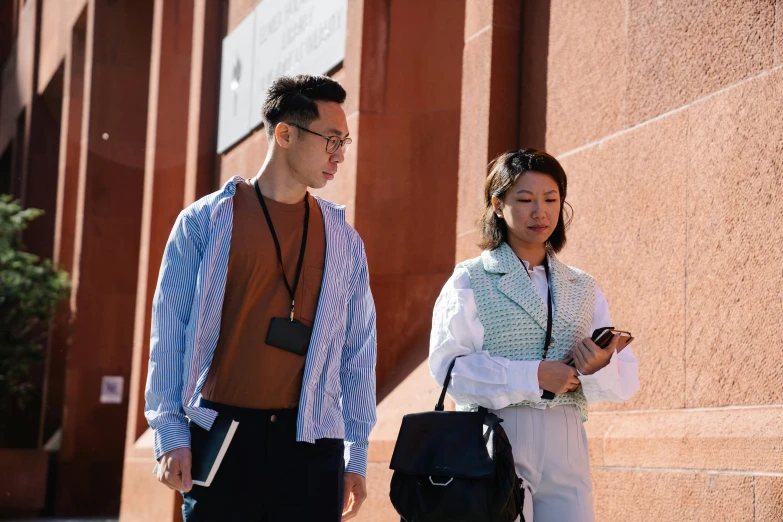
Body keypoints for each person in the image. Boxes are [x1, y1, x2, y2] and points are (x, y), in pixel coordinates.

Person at [145, 74, 377, 522]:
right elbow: (168, 330)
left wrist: (355, 455)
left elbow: (357, 353)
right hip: (223, 434)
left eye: (344, 142)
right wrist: (170, 432)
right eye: (331, 139)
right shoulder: (204, 222)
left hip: (311, 442)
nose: (340, 155)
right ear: (285, 134)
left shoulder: (344, 240)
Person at [428, 148, 640, 522]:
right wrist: (532, 376)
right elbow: (449, 371)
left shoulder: (581, 285)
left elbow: (623, 385)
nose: (540, 212)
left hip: (567, 435)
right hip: (495, 431)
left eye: (550, 199)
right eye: (524, 200)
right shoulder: (470, 278)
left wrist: (598, 366)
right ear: (497, 205)